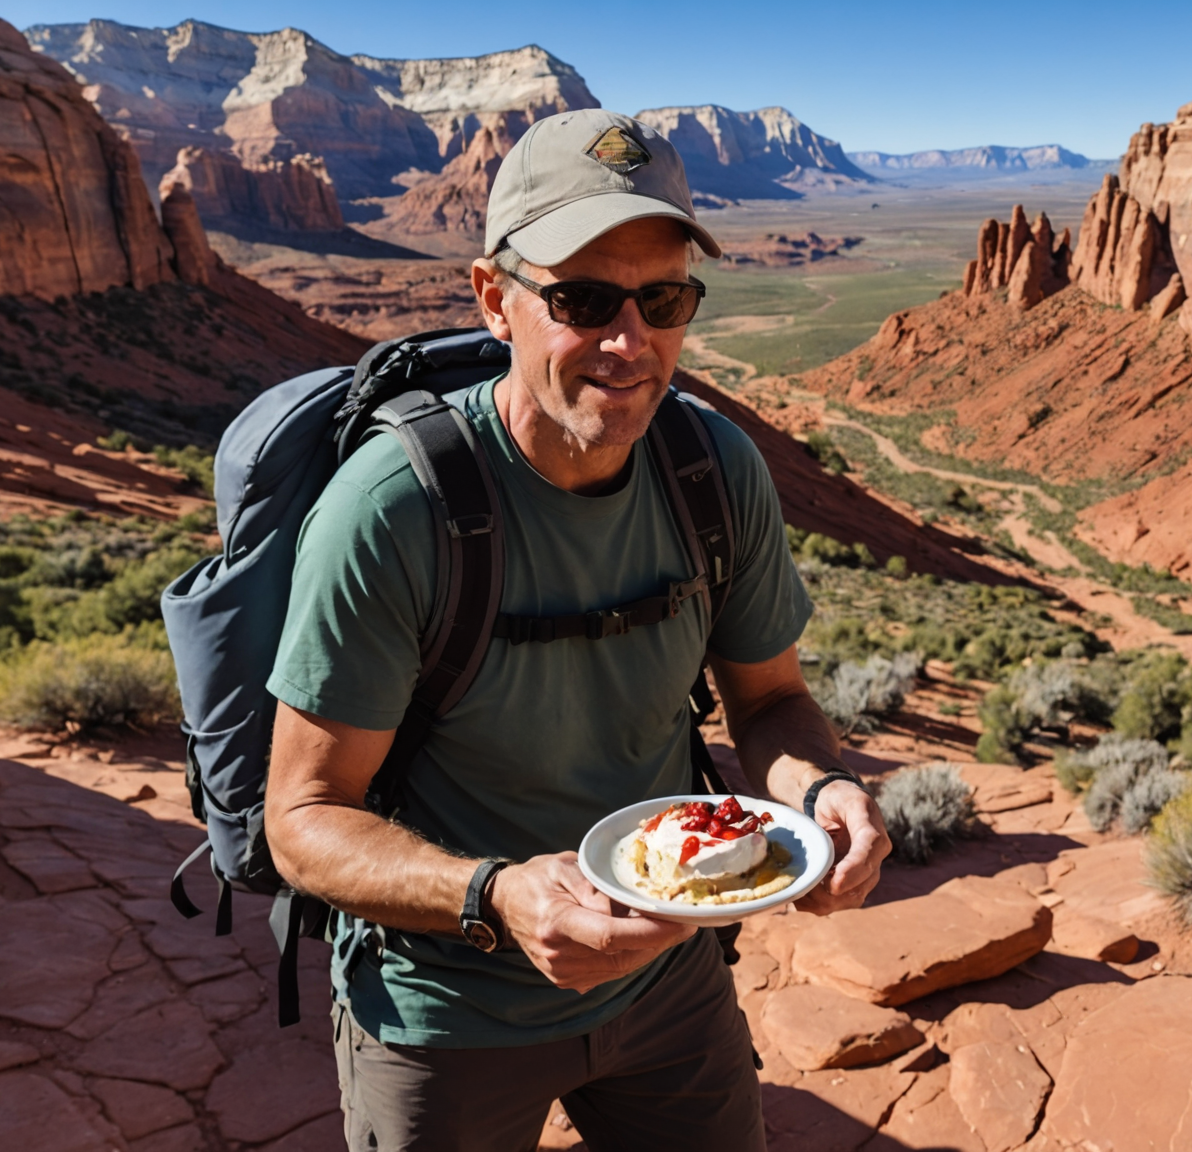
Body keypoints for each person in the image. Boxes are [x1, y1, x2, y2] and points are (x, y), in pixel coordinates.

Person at [262, 108, 890, 1151]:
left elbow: (771, 701)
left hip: (670, 979)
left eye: (664, 299)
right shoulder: (395, 508)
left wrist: (820, 792)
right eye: (584, 299)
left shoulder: (713, 468)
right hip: (448, 1012)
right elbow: (303, 815)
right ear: (493, 300)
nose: (629, 341)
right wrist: (495, 893)